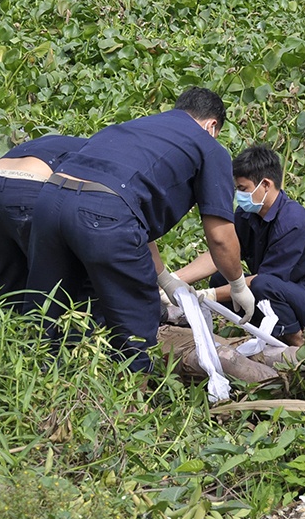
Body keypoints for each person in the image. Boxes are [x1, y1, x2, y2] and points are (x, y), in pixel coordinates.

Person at [25, 87, 251, 373]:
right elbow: (220, 237)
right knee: (137, 312)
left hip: (50, 201)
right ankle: (131, 398)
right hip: (104, 214)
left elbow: (135, 212)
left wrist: (165, 278)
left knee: (49, 304)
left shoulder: (135, 128)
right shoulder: (208, 146)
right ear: (212, 125)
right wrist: (238, 285)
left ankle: (35, 381)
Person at [169, 144, 305, 346]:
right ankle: (270, 332)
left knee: (262, 285)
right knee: (221, 278)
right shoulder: (247, 215)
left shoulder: (292, 222)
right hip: (282, 291)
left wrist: (205, 296)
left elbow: (266, 280)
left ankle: (298, 340)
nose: (239, 195)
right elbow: (220, 254)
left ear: (265, 184)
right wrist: (173, 282)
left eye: (243, 189)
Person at [0, 134, 86, 314]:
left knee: (11, 277)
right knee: (59, 279)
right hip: (31, 185)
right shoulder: (104, 157)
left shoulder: (66, 142)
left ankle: (8, 335)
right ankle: (43, 335)